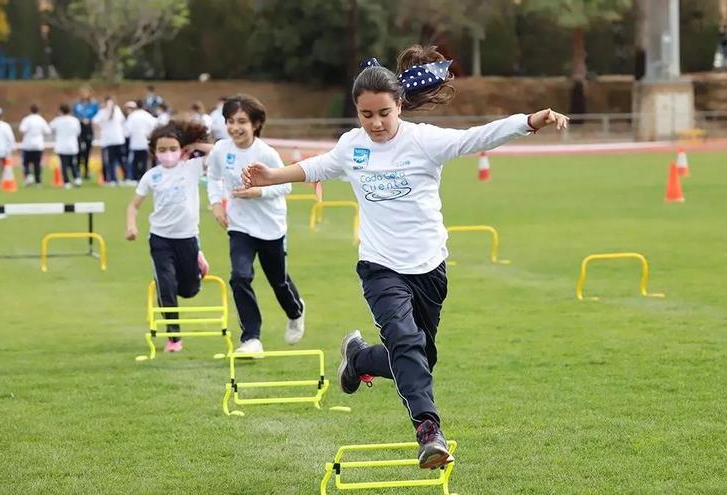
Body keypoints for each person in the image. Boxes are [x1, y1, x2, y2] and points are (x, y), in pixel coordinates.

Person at [240, 45, 568, 469]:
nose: (375, 123)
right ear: (357, 113)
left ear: (399, 106)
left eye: (383, 113)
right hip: (380, 265)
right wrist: (272, 176)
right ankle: (429, 431)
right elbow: (317, 166)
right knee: (407, 343)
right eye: (366, 115)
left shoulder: (424, 141)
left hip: (429, 266)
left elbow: (476, 137)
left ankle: (358, 358)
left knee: (420, 358)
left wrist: (528, 122)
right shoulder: (352, 146)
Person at [206, 94, 306, 354]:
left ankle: (296, 311)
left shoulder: (266, 153)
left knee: (278, 281)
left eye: (241, 121)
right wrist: (217, 204)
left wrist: (258, 192)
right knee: (239, 276)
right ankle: (251, 338)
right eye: (230, 121)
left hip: (270, 226)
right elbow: (213, 178)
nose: (235, 127)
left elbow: (286, 186)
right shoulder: (220, 150)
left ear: (256, 124)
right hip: (239, 226)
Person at [125, 119, 213, 353]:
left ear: (182, 149)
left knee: (188, 290)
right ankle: (174, 338)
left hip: (187, 238)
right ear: (154, 152)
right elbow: (133, 206)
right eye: (162, 150)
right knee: (166, 285)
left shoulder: (192, 167)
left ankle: (198, 261)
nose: (168, 154)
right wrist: (131, 226)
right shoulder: (151, 176)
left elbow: (218, 153)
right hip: (160, 239)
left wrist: (194, 144)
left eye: (173, 148)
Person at [93, 96, 127, 186]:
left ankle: (124, 178)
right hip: (108, 141)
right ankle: (113, 179)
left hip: (117, 139)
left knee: (120, 161)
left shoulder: (116, 110)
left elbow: (122, 121)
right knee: (111, 161)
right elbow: (95, 121)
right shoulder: (103, 112)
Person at [124, 100, 158, 181]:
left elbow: (127, 131)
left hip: (135, 143)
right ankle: (142, 178)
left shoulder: (132, 116)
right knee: (144, 162)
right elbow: (154, 125)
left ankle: (135, 178)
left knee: (135, 162)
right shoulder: (147, 115)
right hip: (145, 143)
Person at [49, 103, 82, 188]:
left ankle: (66, 182)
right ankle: (77, 179)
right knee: (73, 163)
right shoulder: (75, 120)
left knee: (64, 164)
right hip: (72, 145)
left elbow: (50, 128)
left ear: (60, 111)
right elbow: (78, 132)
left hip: (61, 145)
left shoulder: (57, 120)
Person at [19, 104, 51, 186]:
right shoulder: (41, 120)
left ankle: (28, 175)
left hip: (28, 144)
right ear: (38, 110)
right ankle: (38, 182)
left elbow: (22, 130)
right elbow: (48, 131)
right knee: (37, 163)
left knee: (26, 163)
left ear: (30, 110)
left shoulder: (27, 119)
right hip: (38, 144)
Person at [73, 86, 99, 180]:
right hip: (80, 128)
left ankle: (86, 171)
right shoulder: (77, 104)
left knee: (88, 150)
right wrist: (80, 119)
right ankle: (78, 170)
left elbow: (97, 114)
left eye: (86, 92)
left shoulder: (94, 104)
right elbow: (74, 114)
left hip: (89, 128)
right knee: (79, 150)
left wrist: (90, 120)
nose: (84, 94)